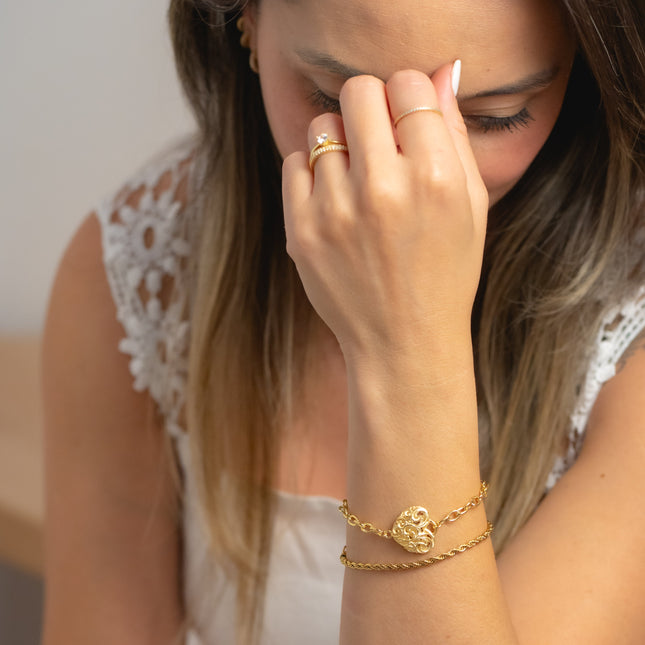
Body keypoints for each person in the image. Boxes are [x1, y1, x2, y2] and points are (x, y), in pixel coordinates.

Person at [41, 0, 645, 643]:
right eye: (333, 98)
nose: (400, 184)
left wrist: (405, 347)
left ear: (583, 63)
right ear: (245, 21)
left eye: (493, 117)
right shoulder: (142, 267)